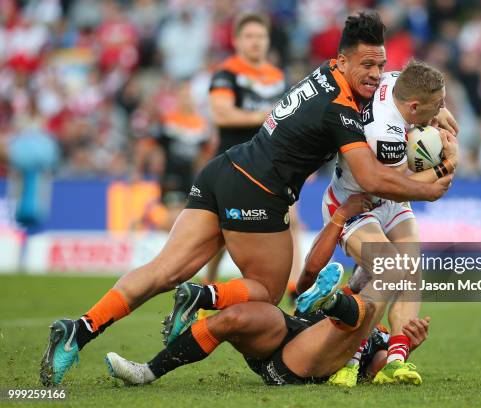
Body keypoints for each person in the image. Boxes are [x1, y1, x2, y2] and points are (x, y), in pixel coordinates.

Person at [40, 11, 452, 386]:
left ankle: (80, 328)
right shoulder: (339, 109)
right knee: (267, 293)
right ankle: (202, 298)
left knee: (162, 270)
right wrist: (427, 188)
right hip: (258, 191)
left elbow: (399, 94)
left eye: (380, 64)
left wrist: (433, 113)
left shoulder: (328, 74)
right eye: (367, 65)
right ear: (342, 61)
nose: (377, 74)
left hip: (223, 170)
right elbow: (367, 175)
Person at [104, 195, 432, 386]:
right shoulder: (356, 272)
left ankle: (333, 304)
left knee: (362, 313)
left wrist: (405, 349)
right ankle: (146, 371)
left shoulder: (385, 328)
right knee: (234, 319)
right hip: (290, 329)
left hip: (304, 360)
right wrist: (342, 216)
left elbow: (374, 370)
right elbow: (308, 273)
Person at [307, 61, 458, 386]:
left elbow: (415, 81)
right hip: (356, 205)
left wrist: (437, 112)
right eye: (436, 105)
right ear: (413, 106)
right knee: (390, 269)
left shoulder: (396, 83)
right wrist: (448, 163)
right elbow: (403, 184)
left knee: (410, 269)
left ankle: (395, 359)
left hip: (386, 201)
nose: (440, 111)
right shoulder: (384, 135)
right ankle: (350, 357)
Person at [203, 12, 292, 286]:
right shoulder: (226, 73)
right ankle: (209, 284)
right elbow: (221, 115)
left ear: (268, 41)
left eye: (261, 36)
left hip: (270, 165)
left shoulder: (278, 77)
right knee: (220, 234)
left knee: (291, 221)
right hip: (232, 162)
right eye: (249, 36)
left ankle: (293, 289)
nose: (256, 42)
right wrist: (265, 115)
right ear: (236, 40)